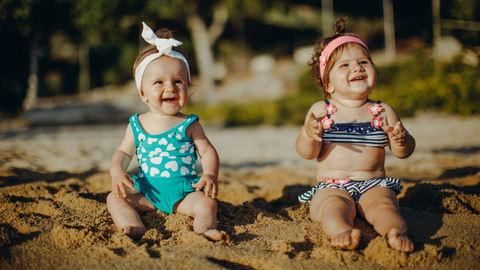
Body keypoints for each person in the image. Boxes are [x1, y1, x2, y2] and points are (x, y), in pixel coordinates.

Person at [295, 18, 415, 252]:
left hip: (373, 183)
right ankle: (342, 231)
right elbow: (307, 153)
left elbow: (403, 153)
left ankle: (394, 232)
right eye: (345, 65)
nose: (357, 68)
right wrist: (309, 135)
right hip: (333, 185)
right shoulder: (321, 111)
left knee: (385, 207)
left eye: (363, 62)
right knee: (331, 207)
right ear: (328, 83)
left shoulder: (383, 111)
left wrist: (401, 139)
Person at [107, 22, 227, 241]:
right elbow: (123, 153)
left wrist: (210, 174)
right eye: (159, 82)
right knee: (114, 199)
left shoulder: (189, 124)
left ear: (188, 87)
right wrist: (117, 170)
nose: (170, 88)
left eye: (179, 81)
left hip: (185, 194)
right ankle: (132, 226)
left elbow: (208, 152)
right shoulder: (136, 125)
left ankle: (205, 230)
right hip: (148, 194)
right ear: (143, 93)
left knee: (208, 203)